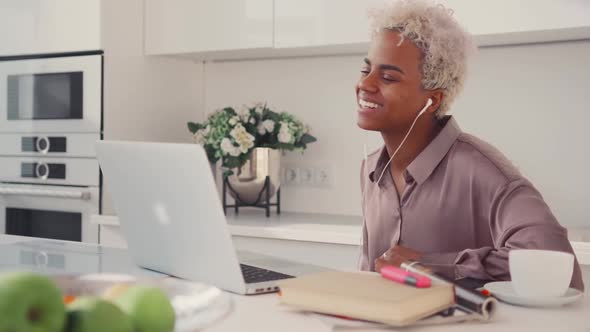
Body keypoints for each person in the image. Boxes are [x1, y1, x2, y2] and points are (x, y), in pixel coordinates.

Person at [357, 0, 584, 290]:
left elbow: (557, 264)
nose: (366, 84)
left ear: (433, 100)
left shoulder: (482, 170)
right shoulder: (370, 170)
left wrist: (431, 264)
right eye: (366, 70)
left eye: (388, 77)